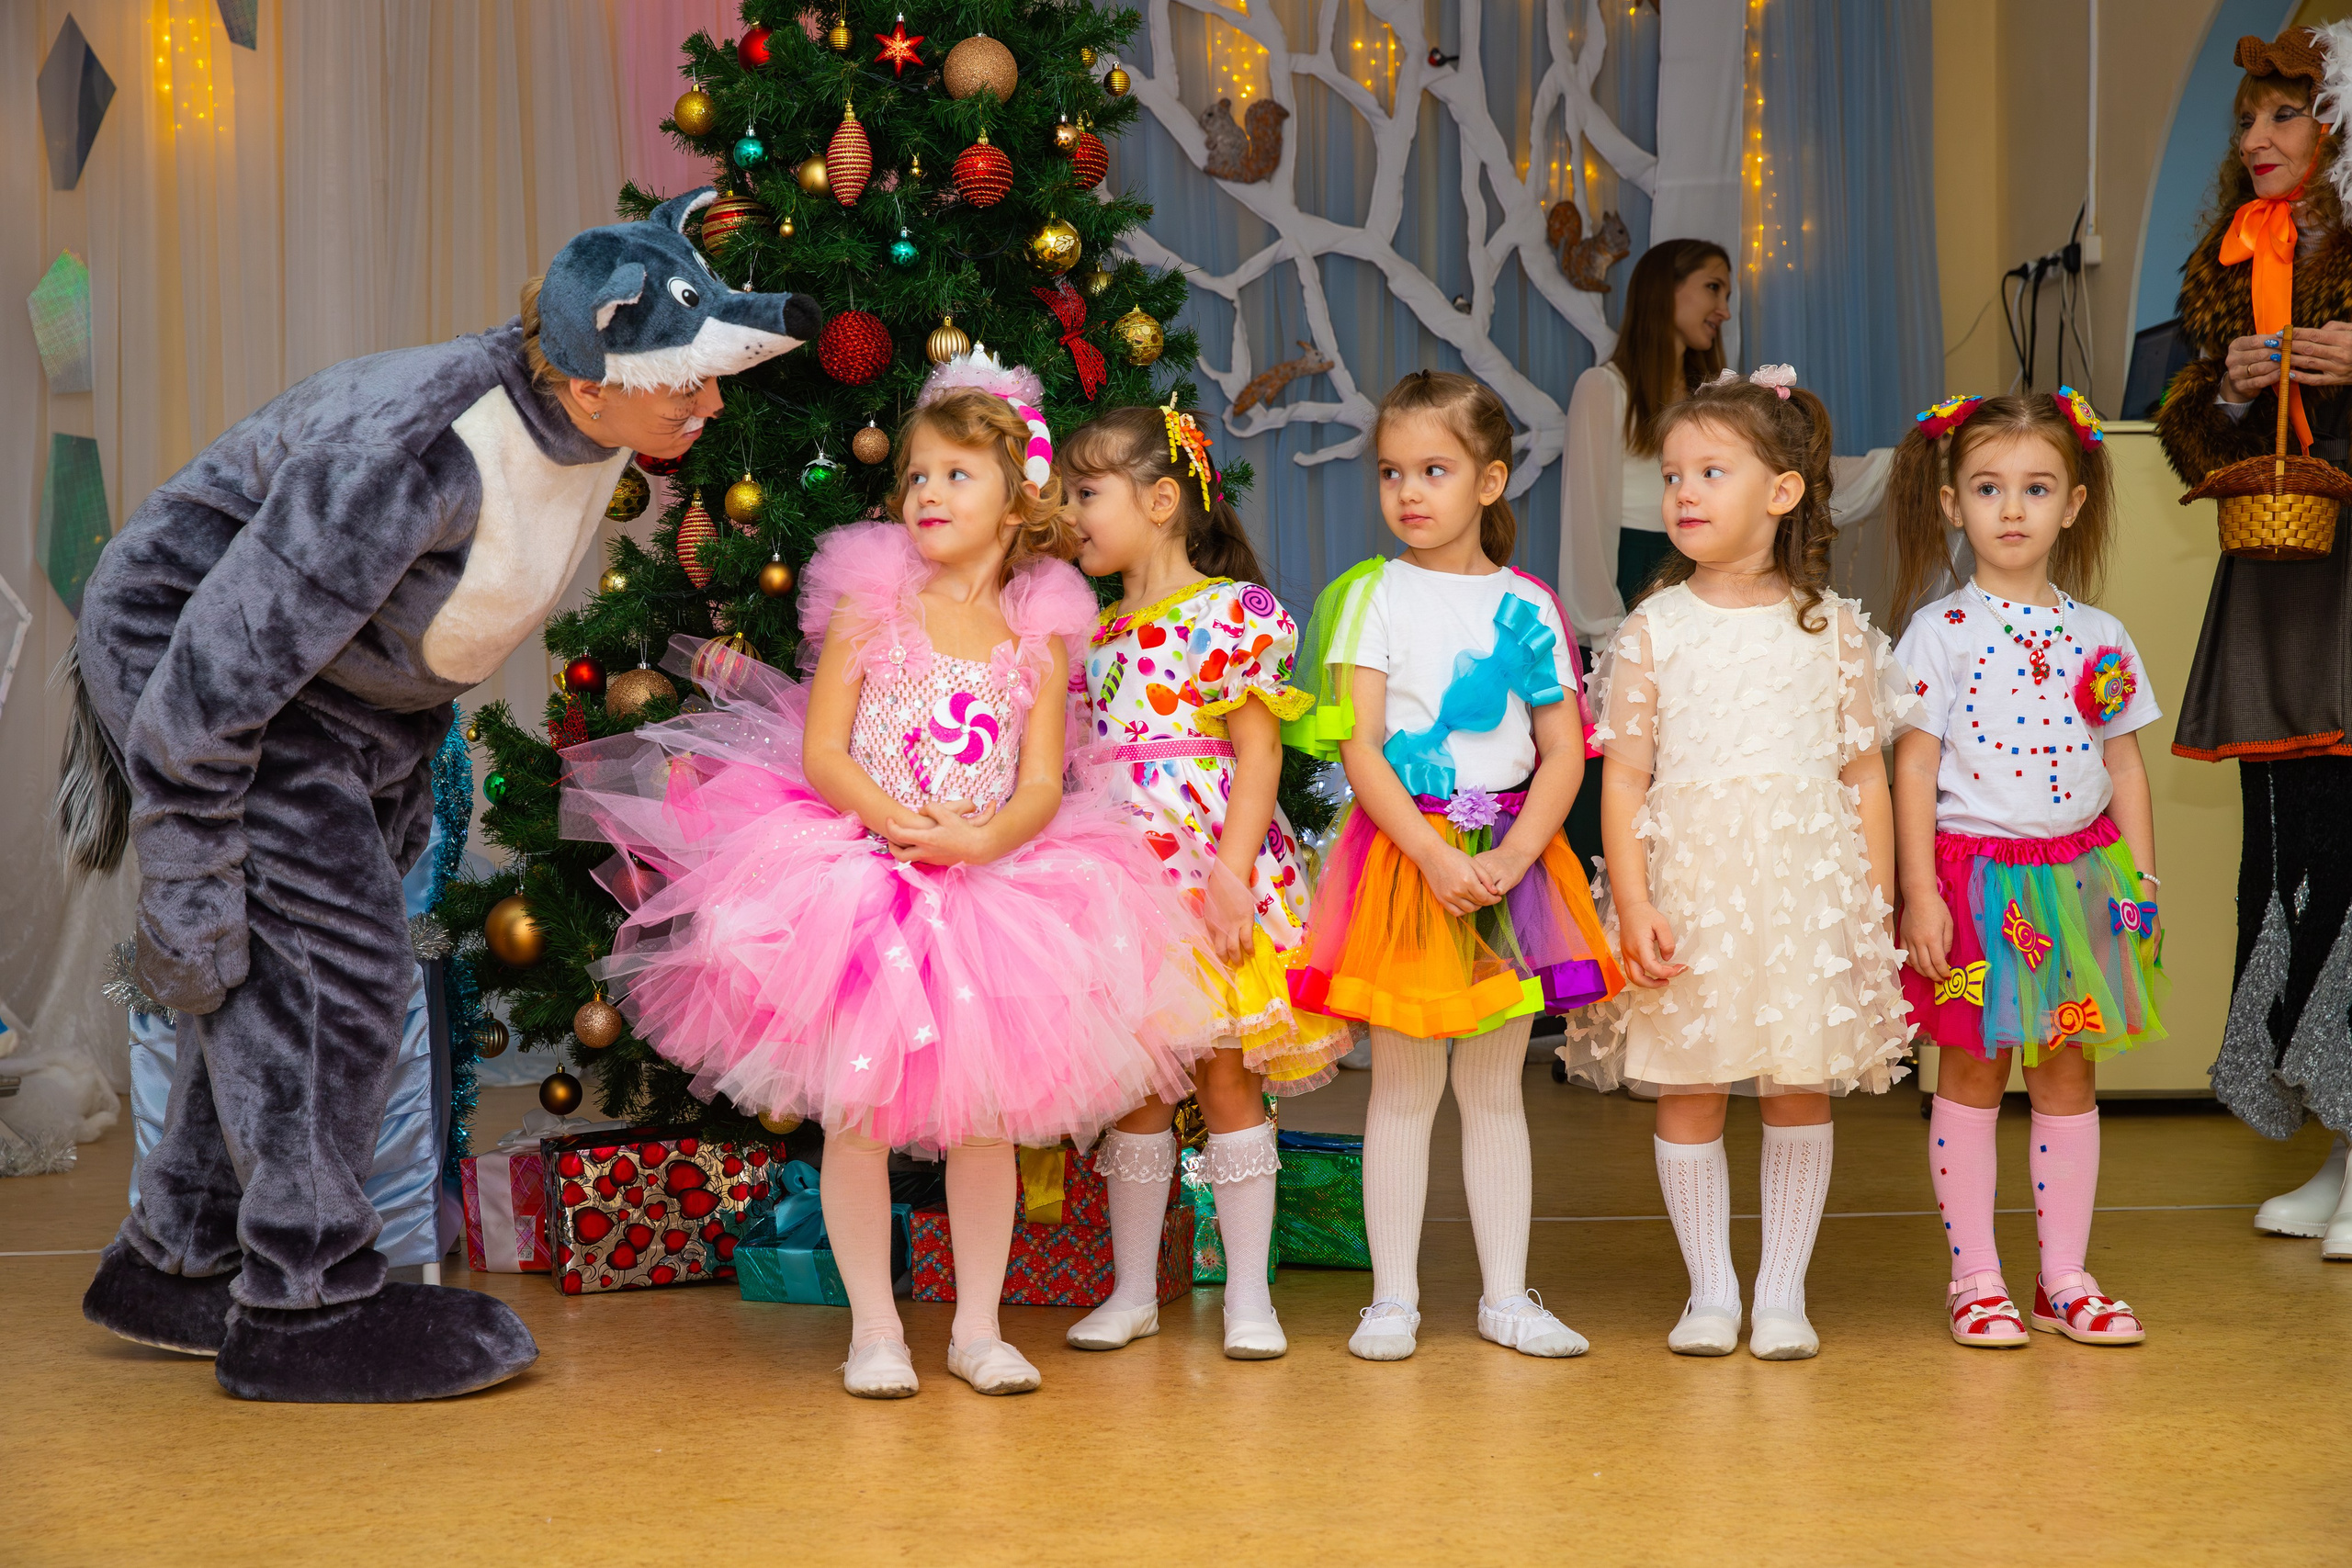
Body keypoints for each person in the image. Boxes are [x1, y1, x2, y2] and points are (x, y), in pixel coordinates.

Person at [65, 190, 818, 1403]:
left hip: (325, 682)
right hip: (197, 662)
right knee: (339, 973)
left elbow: (428, 624)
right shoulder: (414, 453)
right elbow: (218, 671)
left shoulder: (591, 420)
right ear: (590, 377)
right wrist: (193, 873)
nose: (711, 405)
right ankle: (303, 1304)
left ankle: (178, 1258)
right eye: (688, 383)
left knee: (293, 970)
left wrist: (398, 767)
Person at [560, 355, 1212, 1400]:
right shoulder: (875, 605)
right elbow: (824, 750)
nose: (927, 495)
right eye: (915, 476)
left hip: (994, 895)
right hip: (861, 881)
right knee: (857, 1118)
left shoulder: (1039, 633)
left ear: (1017, 500)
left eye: (957, 475)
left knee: (986, 1122)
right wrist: (892, 820)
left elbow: (1044, 782)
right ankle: (874, 1330)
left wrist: (982, 842)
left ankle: (978, 1329)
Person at [1561, 367, 1915, 1362]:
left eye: (1711, 472)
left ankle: (1782, 1291)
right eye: (1673, 474)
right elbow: (1625, 781)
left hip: (1805, 898)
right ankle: (1711, 1289)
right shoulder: (1652, 629)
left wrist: (1874, 903)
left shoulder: (1835, 629)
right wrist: (1633, 903)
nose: (1683, 493)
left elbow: (1865, 775)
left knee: (1798, 1084)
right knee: (1691, 1084)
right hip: (1694, 895)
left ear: (1783, 491)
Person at [1285, 369, 1623, 1364]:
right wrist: (1431, 854)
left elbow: (1564, 750)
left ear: (1490, 480)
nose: (1408, 492)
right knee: (1401, 1087)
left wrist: (1515, 854)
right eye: (1391, 472)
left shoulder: (1530, 604)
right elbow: (1360, 746)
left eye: (1433, 470)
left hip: (1515, 865)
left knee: (1492, 1088)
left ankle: (1506, 1297)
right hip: (1407, 860)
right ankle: (1391, 1299)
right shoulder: (1373, 598)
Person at [1057, 403, 1352, 1360]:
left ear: (1159, 501)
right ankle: (1133, 1291)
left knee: (1228, 1078)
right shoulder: (1094, 635)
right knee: (1136, 1091)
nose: (1069, 514)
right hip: (1121, 888)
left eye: (1086, 493)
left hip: (1212, 875)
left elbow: (1258, 755)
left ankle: (1249, 1298)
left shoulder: (1229, 614)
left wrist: (1230, 877)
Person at [1889, 391, 2162, 1348]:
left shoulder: (2103, 635)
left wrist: (2143, 886)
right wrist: (1917, 892)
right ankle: (1975, 1279)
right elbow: (1912, 767)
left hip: (2080, 884)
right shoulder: (1937, 632)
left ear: (2073, 505)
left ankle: (2063, 1278)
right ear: (1951, 503)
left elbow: (2125, 764)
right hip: (1973, 885)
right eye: (1987, 488)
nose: (2012, 509)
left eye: (2036, 488)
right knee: (1971, 1068)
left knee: (2068, 1073)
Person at [2153, 23, 2352, 1256]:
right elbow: (2186, 431)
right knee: (2289, 848)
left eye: (2284, 114)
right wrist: (2225, 390)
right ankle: (2337, 1138)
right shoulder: (2228, 258)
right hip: (2279, 583)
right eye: (2245, 120)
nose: (2255, 138)